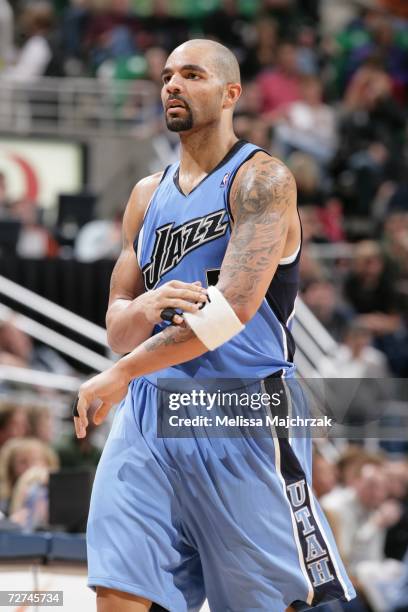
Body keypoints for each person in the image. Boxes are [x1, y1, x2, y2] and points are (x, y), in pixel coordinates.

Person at [74, 40, 355, 612]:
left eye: (192, 75)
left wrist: (119, 373)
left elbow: (230, 313)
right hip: (152, 410)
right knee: (117, 593)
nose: (172, 85)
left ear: (230, 94)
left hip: (240, 408)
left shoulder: (263, 181)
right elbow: (119, 328)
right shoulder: (145, 196)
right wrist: (147, 307)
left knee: (269, 602)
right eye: (167, 76)